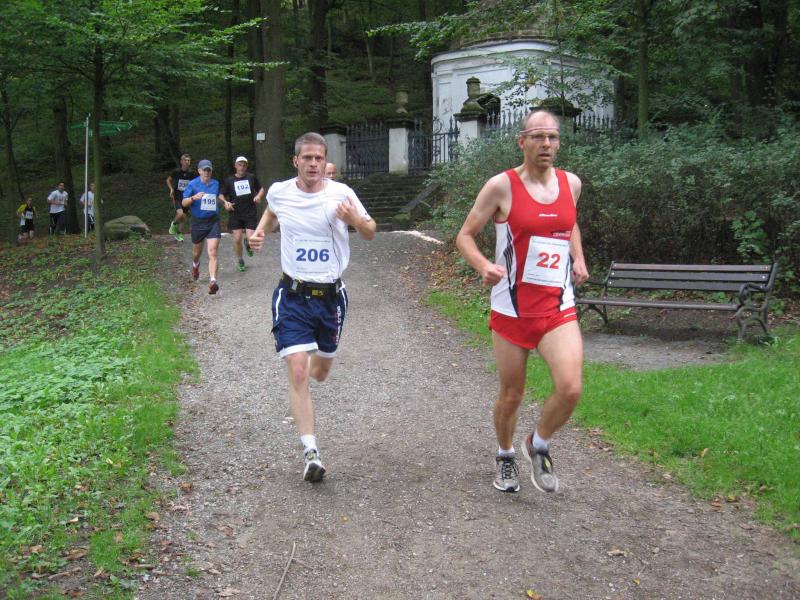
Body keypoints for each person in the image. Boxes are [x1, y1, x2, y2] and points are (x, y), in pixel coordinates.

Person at [455, 110, 589, 494]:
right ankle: (505, 454)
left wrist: (578, 257)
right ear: (522, 141)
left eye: (553, 138)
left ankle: (538, 444)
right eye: (538, 137)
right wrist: (483, 265)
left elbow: (568, 221)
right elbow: (465, 235)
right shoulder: (502, 186)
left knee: (571, 388)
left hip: (557, 306)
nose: (546, 144)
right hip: (512, 308)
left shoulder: (571, 184)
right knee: (512, 394)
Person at [248, 132, 375, 483]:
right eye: (307, 158)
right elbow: (272, 212)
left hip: (331, 298)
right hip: (292, 295)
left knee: (319, 372)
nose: (314, 164)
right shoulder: (280, 191)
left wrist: (356, 220)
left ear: (325, 161)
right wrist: (259, 232)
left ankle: (314, 371)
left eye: (319, 158)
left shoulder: (342, 194)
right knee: (299, 370)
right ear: (296, 161)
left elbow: (370, 231)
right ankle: (311, 452)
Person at [182, 159, 233, 295]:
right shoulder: (192, 184)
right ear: (199, 171)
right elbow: (184, 202)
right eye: (204, 170)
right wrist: (194, 198)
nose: (206, 172)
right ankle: (195, 265)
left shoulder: (215, 183)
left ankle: (213, 282)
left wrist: (225, 202)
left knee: (213, 251)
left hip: (213, 221)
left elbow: (218, 196)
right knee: (196, 254)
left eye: (209, 170)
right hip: (198, 222)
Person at [219, 156, 264, 272]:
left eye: (244, 165)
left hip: (250, 211)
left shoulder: (251, 177)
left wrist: (258, 196)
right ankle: (240, 260)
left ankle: (247, 243)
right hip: (235, 212)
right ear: (235, 166)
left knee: (251, 238)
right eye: (240, 165)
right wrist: (225, 202)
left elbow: (261, 189)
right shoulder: (229, 180)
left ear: (246, 167)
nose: (242, 167)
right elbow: (221, 194)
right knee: (237, 238)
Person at [167, 153, 194, 242]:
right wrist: (171, 189)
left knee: (184, 217)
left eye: (189, 160)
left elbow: (194, 184)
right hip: (177, 196)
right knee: (180, 214)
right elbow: (168, 180)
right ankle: (174, 224)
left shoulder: (191, 173)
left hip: (186, 197)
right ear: (181, 161)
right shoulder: (176, 171)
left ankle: (178, 234)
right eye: (186, 160)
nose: (187, 162)